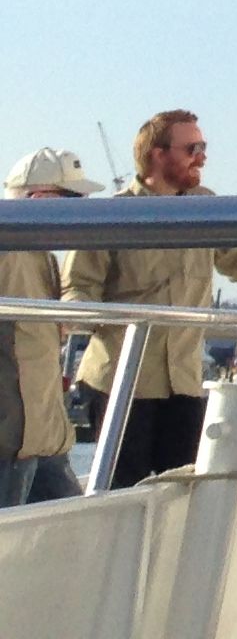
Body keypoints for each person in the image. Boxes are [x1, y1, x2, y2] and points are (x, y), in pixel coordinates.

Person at [62, 110, 237, 487]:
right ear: (157, 154)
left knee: (184, 488)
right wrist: (79, 320)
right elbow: (77, 289)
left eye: (202, 147)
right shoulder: (112, 216)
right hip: (121, 382)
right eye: (193, 148)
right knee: (120, 492)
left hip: (183, 382)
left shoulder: (206, 209)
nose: (202, 157)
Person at [2, 146, 100, 507]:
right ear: (41, 198)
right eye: (76, 200)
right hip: (14, 441)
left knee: (79, 538)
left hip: (40, 437)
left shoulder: (37, 254)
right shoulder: (13, 253)